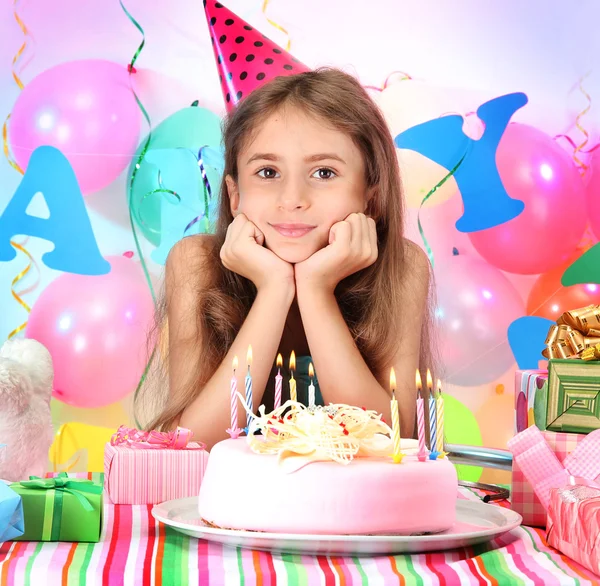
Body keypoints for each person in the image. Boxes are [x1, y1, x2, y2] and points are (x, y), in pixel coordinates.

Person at [135, 68, 438, 450]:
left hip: (351, 507)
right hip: (227, 507)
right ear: (234, 194)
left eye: (324, 172)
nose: (292, 198)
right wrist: (274, 289)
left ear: (370, 198)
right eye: (267, 172)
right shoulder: (196, 263)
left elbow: (388, 443)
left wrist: (316, 290)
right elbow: (191, 443)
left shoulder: (401, 267)